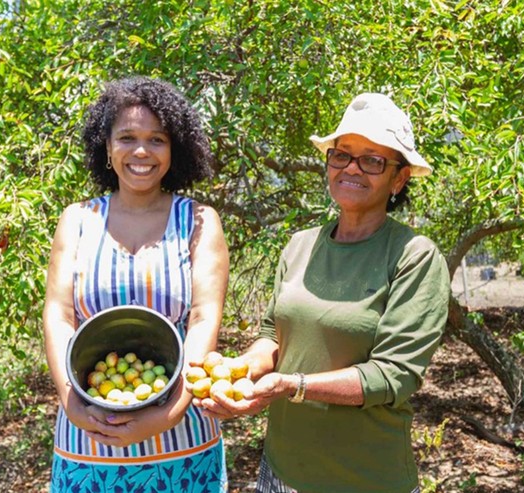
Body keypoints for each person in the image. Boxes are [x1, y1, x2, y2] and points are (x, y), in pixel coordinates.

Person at [194, 93, 450, 493]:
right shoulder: (300, 246)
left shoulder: (413, 256)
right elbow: (273, 337)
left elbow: (393, 375)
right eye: (342, 155)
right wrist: (238, 370)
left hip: (365, 480)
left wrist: (291, 386)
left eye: (372, 160)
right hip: (282, 470)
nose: (352, 168)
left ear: (399, 178)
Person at [43, 76, 230, 492]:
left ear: (173, 149)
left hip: (182, 442)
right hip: (88, 443)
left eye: (157, 139)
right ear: (106, 148)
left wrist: (167, 414)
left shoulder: (199, 221)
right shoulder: (77, 220)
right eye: (126, 137)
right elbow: (58, 315)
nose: (141, 151)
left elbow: (203, 320)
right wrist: (72, 405)